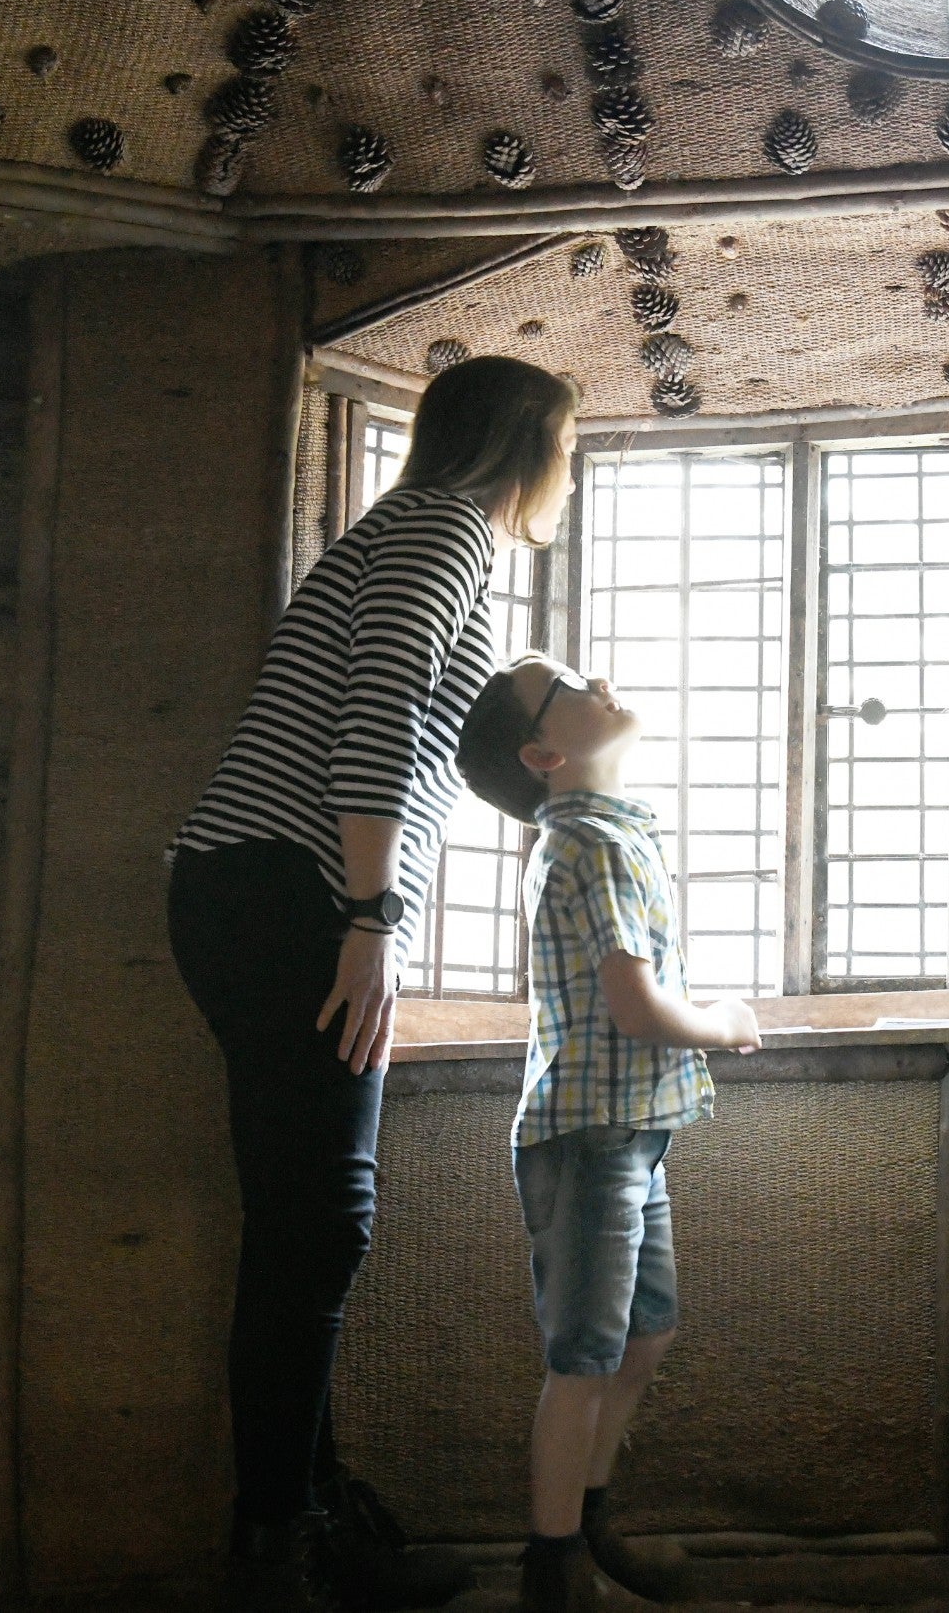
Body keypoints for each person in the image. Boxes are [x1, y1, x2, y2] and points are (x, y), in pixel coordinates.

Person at [166, 357, 581, 1612]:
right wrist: (370, 917)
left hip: (260, 888)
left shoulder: (413, 531)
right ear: (524, 446)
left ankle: (309, 1523)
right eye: (568, 442)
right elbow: (380, 719)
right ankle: (277, 1550)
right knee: (321, 1224)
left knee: (305, 1221)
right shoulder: (446, 530)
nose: (571, 467)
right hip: (286, 889)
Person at [455, 652, 762, 1613]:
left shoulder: (611, 835)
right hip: (590, 1134)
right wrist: (726, 1020)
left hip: (629, 1130)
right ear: (543, 752)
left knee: (644, 1337)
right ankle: (553, 1572)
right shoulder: (586, 844)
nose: (601, 686)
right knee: (584, 1353)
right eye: (568, 688)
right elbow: (636, 1006)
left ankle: (587, 1528)